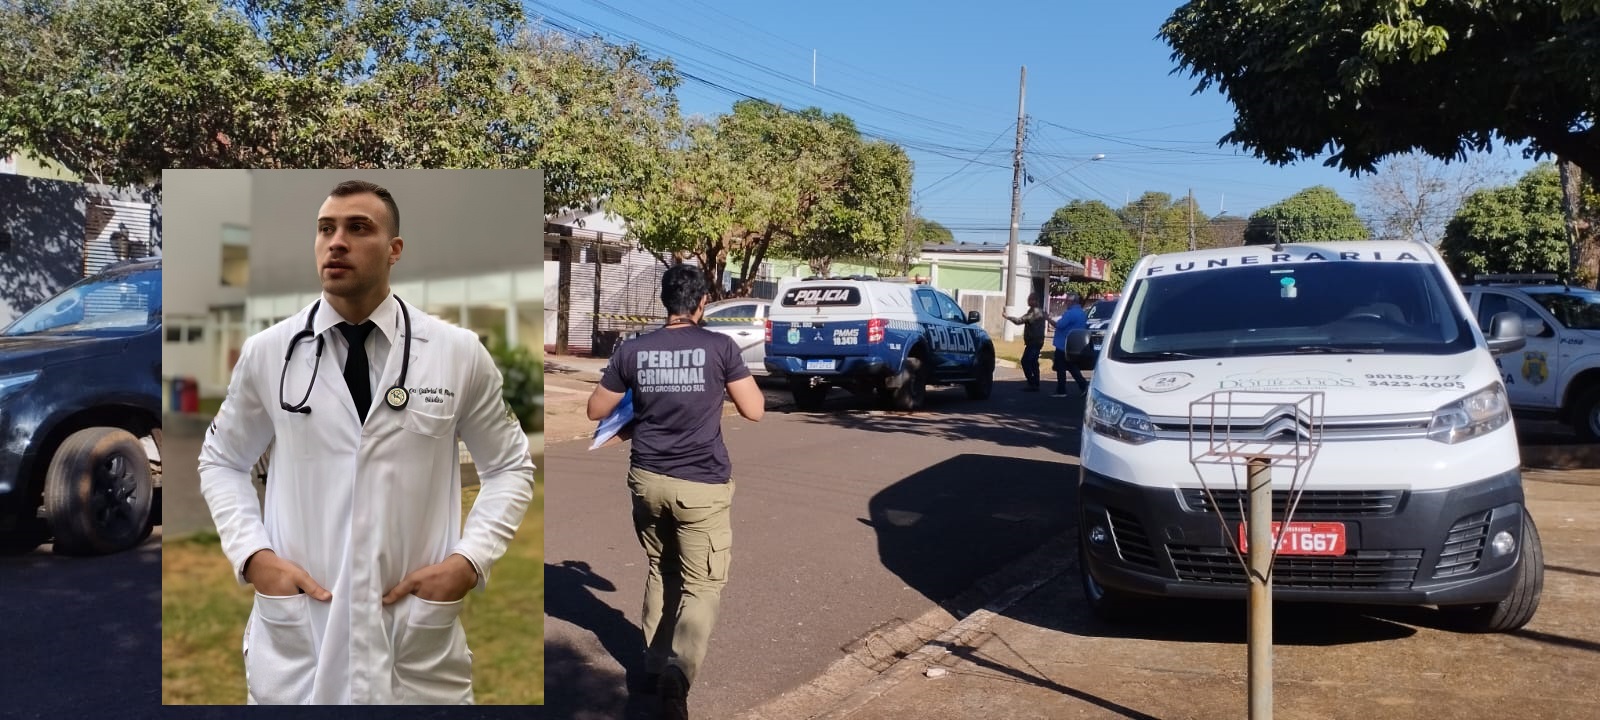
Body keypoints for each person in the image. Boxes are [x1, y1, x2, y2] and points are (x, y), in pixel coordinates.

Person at [198, 180, 537, 705]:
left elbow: (510, 467)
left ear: (394, 249)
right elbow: (222, 459)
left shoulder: (457, 353)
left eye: (358, 228)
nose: (337, 241)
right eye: (325, 229)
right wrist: (252, 554)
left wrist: (470, 560)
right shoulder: (269, 353)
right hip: (300, 638)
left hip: (414, 643)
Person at [585, 264, 766, 720]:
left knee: (661, 569)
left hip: (647, 480)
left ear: (665, 300)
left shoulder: (633, 350)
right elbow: (754, 410)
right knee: (702, 583)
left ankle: (651, 665)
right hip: (700, 484)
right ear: (702, 302)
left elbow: (595, 409)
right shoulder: (720, 347)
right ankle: (677, 675)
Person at [1004, 293, 1048, 391]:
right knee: (1033, 362)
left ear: (1035, 301)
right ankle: (1035, 383)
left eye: (1030, 299)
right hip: (1039, 341)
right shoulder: (1040, 312)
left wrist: (1007, 317)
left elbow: (1019, 321)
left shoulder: (1033, 313)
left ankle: (1032, 382)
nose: (1028, 301)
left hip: (1033, 342)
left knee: (1025, 361)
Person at [1052, 291, 1091, 397]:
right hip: (1073, 344)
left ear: (1072, 301)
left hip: (1063, 344)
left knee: (1061, 367)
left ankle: (1062, 390)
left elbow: (1059, 325)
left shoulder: (1070, 313)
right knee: (1071, 366)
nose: (1065, 303)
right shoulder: (1081, 313)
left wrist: (1047, 318)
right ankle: (1082, 385)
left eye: (1067, 301)